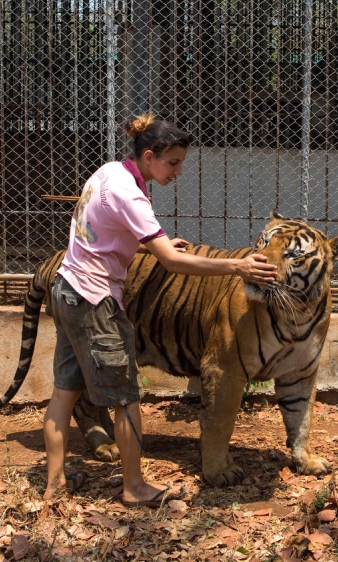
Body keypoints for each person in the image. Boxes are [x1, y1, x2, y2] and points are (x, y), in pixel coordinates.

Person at [42, 112, 278, 507]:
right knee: (126, 398)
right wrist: (237, 265)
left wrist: (150, 244)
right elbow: (171, 264)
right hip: (95, 299)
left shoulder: (107, 173)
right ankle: (134, 487)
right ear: (149, 156)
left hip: (66, 287)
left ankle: (54, 484)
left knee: (64, 393)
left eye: (182, 162)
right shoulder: (131, 195)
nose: (179, 171)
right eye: (173, 162)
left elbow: (98, 232)